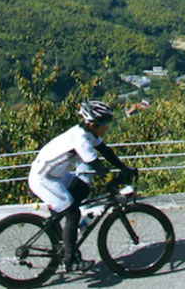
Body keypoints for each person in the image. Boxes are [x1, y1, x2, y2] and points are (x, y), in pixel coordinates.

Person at [28, 101, 138, 272]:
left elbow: (106, 152)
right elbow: (99, 168)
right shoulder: (81, 140)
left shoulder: (88, 132)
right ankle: (70, 260)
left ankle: (63, 234)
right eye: (105, 125)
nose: (107, 128)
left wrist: (124, 168)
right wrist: (119, 182)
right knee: (73, 212)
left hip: (56, 176)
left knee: (82, 189)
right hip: (43, 179)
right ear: (94, 124)